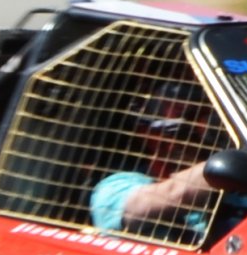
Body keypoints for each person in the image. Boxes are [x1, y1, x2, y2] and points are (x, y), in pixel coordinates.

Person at [90, 83, 227, 234]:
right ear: (145, 135)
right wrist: (230, 164)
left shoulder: (235, 187)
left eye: (187, 134)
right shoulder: (113, 189)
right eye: (169, 132)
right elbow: (170, 194)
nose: (175, 144)